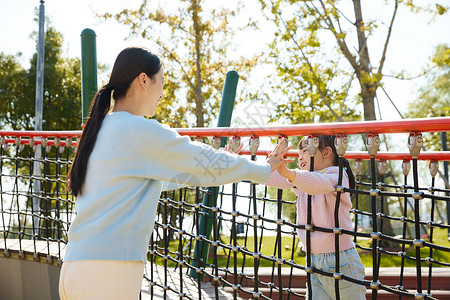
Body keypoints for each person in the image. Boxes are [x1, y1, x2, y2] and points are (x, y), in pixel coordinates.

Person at [59, 47, 292, 300]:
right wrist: (263, 169)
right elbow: (205, 161)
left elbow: (169, 177)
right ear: (144, 80)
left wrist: (230, 162)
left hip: (74, 267)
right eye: (162, 82)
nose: (162, 92)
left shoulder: (100, 128)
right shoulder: (140, 131)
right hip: (109, 273)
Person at [265, 135, 365, 300]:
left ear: (326, 152)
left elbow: (320, 184)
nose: (300, 157)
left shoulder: (337, 175)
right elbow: (272, 178)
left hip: (342, 260)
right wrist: (265, 167)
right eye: (299, 154)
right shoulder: (303, 178)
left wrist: (289, 173)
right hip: (313, 260)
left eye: (305, 150)